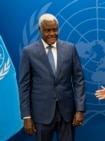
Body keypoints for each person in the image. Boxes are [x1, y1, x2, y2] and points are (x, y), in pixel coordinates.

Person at [19, 13, 86, 141]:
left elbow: (79, 81)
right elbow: (24, 86)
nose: (52, 33)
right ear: (40, 30)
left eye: (55, 29)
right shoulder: (29, 52)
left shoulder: (70, 49)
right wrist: (26, 116)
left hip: (67, 113)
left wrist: (80, 109)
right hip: (41, 113)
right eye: (47, 30)